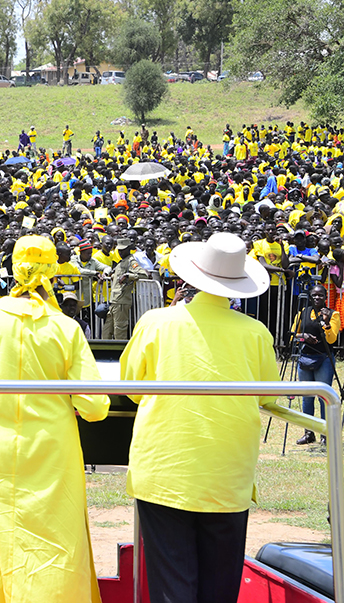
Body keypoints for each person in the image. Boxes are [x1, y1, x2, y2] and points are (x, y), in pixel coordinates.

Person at [0, 235, 108, 602]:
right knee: (56, 542)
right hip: (53, 450)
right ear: (53, 271)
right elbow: (96, 407)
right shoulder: (66, 328)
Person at [120, 232, 279, 603]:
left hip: (165, 469)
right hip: (227, 474)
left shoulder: (157, 321)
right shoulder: (256, 332)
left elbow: (130, 385)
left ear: (190, 277)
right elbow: (268, 394)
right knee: (220, 585)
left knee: (172, 582)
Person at [291, 283, 340, 445]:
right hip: (305, 358)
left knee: (323, 397)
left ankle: (325, 434)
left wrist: (325, 323)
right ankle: (308, 432)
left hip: (324, 359)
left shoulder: (334, 314)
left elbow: (332, 339)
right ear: (310, 296)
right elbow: (292, 335)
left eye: (321, 295)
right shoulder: (302, 313)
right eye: (314, 295)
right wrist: (303, 336)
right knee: (307, 398)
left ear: (326, 297)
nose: (317, 298)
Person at [104, 239, 146, 339]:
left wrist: (128, 276)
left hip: (122, 301)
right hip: (114, 300)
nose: (120, 252)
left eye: (123, 250)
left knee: (120, 329)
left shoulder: (131, 261)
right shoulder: (121, 262)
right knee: (107, 329)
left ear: (128, 249)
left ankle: (120, 352)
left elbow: (143, 275)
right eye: (119, 250)